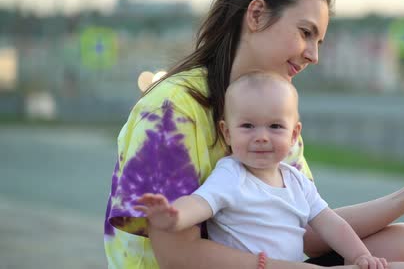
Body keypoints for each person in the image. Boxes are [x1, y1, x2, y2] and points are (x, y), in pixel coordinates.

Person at [104, 0, 404, 269]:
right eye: (305, 32)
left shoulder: (273, 115)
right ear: (257, 14)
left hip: (268, 262)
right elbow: (178, 254)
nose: (313, 54)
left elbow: (303, 230)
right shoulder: (172, 108)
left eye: (319, 41)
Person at [134, 72, 390, 269]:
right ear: (227, 132)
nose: (262, 137)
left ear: (294, 134)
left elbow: (332, 225)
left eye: (275, 127)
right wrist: (174, 217)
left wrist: (359, 256)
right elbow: (200, 203)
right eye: (247, 126)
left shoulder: (296, 181)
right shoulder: (232, 174)